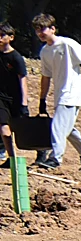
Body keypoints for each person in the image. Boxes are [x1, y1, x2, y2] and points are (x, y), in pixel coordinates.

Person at [32, 13, 81, 171]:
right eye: (37, 30)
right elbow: (46, 77)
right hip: (59, 94)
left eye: (43, 29)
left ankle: (55, 158)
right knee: (66, 128)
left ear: (53, 29)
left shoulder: (66, 43)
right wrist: (42, 100)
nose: (40, 33)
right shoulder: (44, 52)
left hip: (71, 92)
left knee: (58, 126)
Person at [0, 23, 29, 170]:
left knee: (21, 129)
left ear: (11, 37)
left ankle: (41, 153)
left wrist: (24, 102)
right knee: (3, 127)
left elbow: (22, 79)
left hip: (16, 98)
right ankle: (11, 158)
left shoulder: (16, 57)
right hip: (1, 98)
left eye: (2, 35)